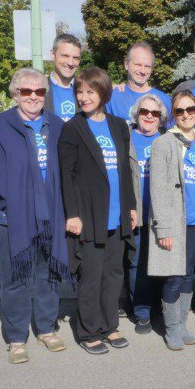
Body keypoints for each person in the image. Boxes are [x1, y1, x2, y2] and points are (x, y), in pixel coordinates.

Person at [0, 68, 70, 364]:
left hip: (49, 215)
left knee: (47, 274)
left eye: (39, 91)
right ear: (15, 94)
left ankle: (47, 329)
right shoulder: (0, 127)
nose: (34, 97)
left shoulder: (57, 125)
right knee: (14, 278)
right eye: (26, 91)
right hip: (9, 217)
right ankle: (16, 338)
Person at [59, 67, 137, 355]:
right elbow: (66, 176)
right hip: (90, 216)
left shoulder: (118, 126)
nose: (83, 97)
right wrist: (73, 214)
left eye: (90, 91)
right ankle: (89, 330)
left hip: (117, 214)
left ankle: (110, 325)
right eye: (79, 91)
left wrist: (130, 207)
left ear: (103, 92)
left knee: (113, 273)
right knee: (91, 275)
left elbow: (126, 172)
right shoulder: (72, 129)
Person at [147, 91, 195, 350]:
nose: (186, 114)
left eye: (190, 109)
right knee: (173, 277)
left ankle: (182, 324)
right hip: (174, 222)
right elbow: (158, 187)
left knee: (186, 276)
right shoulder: (163, 143)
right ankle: (171, 328)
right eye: (180, 111)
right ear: (173, 114)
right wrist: (163, 228)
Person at [125, 94, 168, 334]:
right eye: (144, 112)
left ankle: (158, 309)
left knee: (160, 263)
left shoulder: (167, 141)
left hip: (160, 215)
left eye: (155, 113)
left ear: (161, 118)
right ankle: (141, 312)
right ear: (137, 114)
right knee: (137, 265)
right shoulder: (126, 140)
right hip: (136, 214)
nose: (149, 116)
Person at [106, 42, 172, 123]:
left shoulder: (165, 101)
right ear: (126, 64)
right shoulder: (111, 97)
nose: (142, 71)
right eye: (138, 65)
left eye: (147, 66)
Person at [45, 34, 81, 122]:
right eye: (65, 56)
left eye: (75, 58)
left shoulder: (86, 88)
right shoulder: (39, 89)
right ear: (53, 54)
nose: (70, 63)